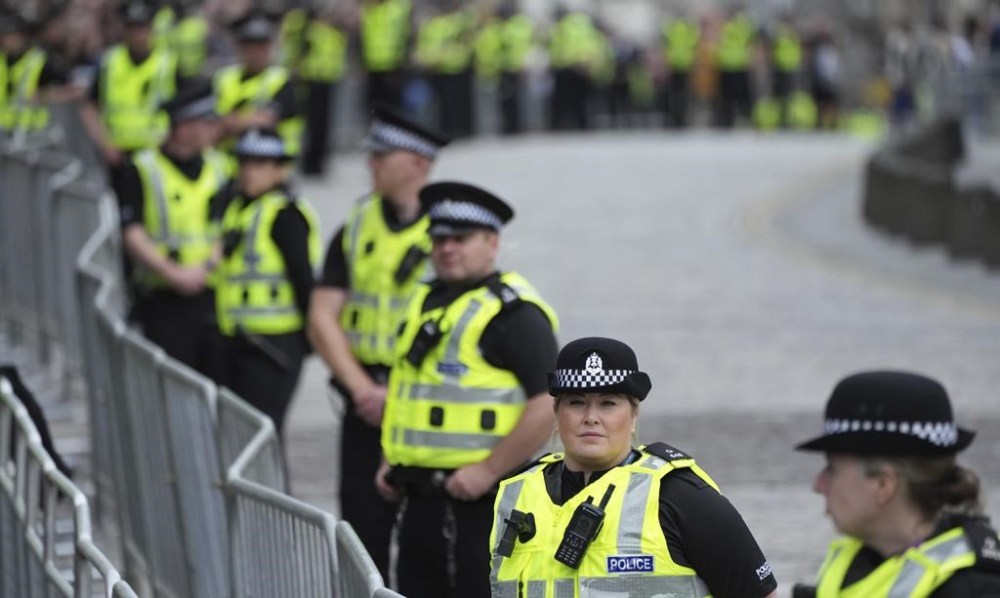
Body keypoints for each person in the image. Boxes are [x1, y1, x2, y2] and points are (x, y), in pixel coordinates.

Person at [374, 182, 560, 598]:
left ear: (492, 242)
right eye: (439, 239)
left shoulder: (515, 314)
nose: (447, 248)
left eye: (461, 239)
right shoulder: (424, 300)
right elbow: (409, 390)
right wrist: (390, 456)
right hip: (418, 496)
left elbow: (549, 402)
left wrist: (488, 470)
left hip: (483, 504)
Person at [490, 336, 779, 598]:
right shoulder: (515, 494)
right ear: (557, 413)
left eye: (608, 404)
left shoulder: (680, 496)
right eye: (577, 403)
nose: (591, 417)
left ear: (633, 415)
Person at [307, 104, 449, 579]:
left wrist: (397, 395)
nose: (370, 165)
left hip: (430, 406)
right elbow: (322, 315)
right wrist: (363, 389)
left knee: (428, 544)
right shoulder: (357, 224)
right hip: (364, 400)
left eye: (382, 156)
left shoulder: (451, 235)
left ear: (418, 164)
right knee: (362, 533)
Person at [793, 371, 1000, 597]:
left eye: (832, 469)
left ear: (883, 485)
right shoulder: (855, 559)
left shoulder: (974, 589)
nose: (819, 485)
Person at [116, 81, 229, 375]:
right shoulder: (141, 168)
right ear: (182, 127)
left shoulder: (221, 167)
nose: (213, 129)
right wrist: (173, 273)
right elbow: (132, 232)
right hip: (162, 295)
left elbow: (228, 225)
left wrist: (206, 268)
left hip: (213, 291)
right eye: (206, 122)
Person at [214, 128, 320, 437]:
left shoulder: (285, 215)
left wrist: (309, 338)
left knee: (263, 437)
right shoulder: (237, 209)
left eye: (260, 163)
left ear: (280, 169)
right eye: (245, 162)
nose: (249, 172)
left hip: (274, 345)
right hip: (237, 339)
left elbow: (304, 281)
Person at [79, 0, 180, 188]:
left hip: (157, 156)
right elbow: (90, 107)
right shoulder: (110, 63)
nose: (138, 36)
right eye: (132, 29)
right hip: (118, 157)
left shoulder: (169, 64)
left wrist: (169, 143)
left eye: (142, 28)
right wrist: (105, 144)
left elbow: (182, 110)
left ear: (152, 29)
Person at [213, 10, 302, 159]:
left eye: (261, 46)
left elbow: (266, 121)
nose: (255, 52)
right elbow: (210, 124)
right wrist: (248, 119)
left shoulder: (281, 80)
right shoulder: (223, 77)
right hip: (225, 159)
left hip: (269, 162)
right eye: (249, 46)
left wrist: (229, 122)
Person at [358, 0, 413, 112]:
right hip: (372, 65)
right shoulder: (369, 10)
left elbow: (407, 37)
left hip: (393, 65)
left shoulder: (398, 9)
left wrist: (403, 61)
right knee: (373, 102)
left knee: (392, 103)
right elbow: (361, 39)